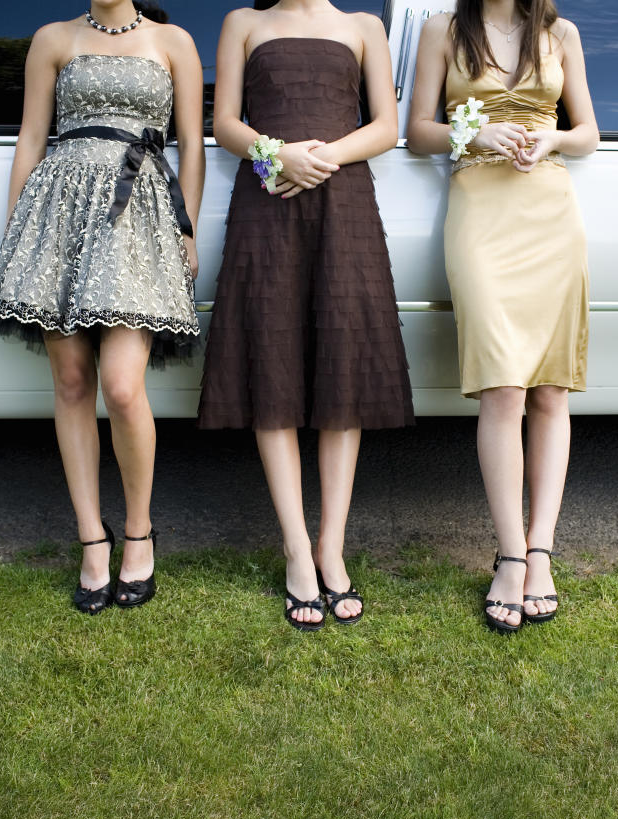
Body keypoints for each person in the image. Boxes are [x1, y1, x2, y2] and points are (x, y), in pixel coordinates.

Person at [197, 0, 414, 631]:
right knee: (274, 361)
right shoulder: (243, 23)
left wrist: (322, 158)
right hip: (267, 199)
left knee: (341, 364)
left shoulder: (363, 26)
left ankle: (332, 547)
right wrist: (277, 155)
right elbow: (226, 123)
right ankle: (296, 549)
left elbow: (386, 127)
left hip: (343, 201)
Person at [0, 0, 205, 614]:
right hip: (60, 212)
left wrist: (187, 228)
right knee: (73, 382)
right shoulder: (53, 39)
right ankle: (92, 540)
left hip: (140, 218)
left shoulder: (173, 41)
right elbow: (32, 137)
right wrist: (17, 229)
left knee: (124, 386)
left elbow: (193, 146)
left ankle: (139, 532)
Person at [407, 0, 598, 633]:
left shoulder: (560, 32)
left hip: (548, 203)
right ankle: (509, 554)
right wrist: (475, 133)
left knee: (550, 390)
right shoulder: (443, 27)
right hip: (479, 205)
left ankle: (539, 550)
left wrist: (555, 137)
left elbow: (588, 133)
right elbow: (417, 130)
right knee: (503, 387)